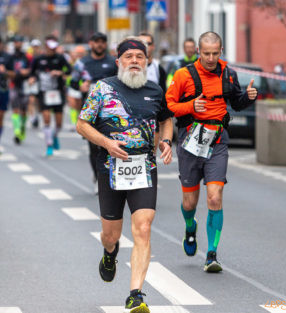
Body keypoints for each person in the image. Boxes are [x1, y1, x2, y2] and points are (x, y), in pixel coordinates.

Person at [76, 36, 173, 313]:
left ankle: (136, 294)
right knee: (111, 234)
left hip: (144, 167)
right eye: (128, 56)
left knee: (143, 228)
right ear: (118, 62)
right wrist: (107, 142)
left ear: (147, 61)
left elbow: (166, 119)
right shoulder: (103, 89)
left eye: (139, 57)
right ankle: (110, 254)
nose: (134, 61)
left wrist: (165, 141)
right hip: (110, 168)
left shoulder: (155, 91)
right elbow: (82, 124)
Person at [166, 31, 258, 272]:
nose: (210, 58)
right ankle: (190, 227)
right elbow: (169, 106)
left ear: (221, 51)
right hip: (190, 142)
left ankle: (212, 254)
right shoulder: (183, 75)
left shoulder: (229, 74)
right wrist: (190, 105)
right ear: (198, 51)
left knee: (215, 197)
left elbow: (236, 103)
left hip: (218, 141)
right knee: (189, 202)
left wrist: (248, 97)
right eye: (206, 53)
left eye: (215, 53)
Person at [70, 32, 117, 191]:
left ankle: (110, 175)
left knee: (110, 144)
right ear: (90, 44)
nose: (99, 45)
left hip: (111, 110)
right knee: (93, 147)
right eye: (96, 42)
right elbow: (73, 82)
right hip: (90, 112)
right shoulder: (82, 63)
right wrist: (80, 87)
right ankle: (98, 177)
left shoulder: (113, 63)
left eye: (102, 42)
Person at [29, 35, 71, 156]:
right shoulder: (38, 59)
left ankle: (54, 135)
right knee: (46, 119)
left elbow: (69, 70)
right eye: (49, 48)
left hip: (57, 92)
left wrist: (60, 72)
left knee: (59, 123)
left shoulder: (60, 58)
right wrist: (32, 79)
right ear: (46, 46)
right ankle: (49, 144)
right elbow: (32, 73)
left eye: (54, 48)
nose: (51, 50)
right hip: (44, 92)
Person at [9, 35, 31, 145]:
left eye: (19, 42)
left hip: (25, 85)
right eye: (16, 41)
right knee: (15, 109)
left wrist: (27, 72)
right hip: (14, 85)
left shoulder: (27, 57)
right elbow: (7, 71)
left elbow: (32, 69)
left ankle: (22, 128)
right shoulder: (10, 57)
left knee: (23, 111)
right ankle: (17, 131)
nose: (17, 44)